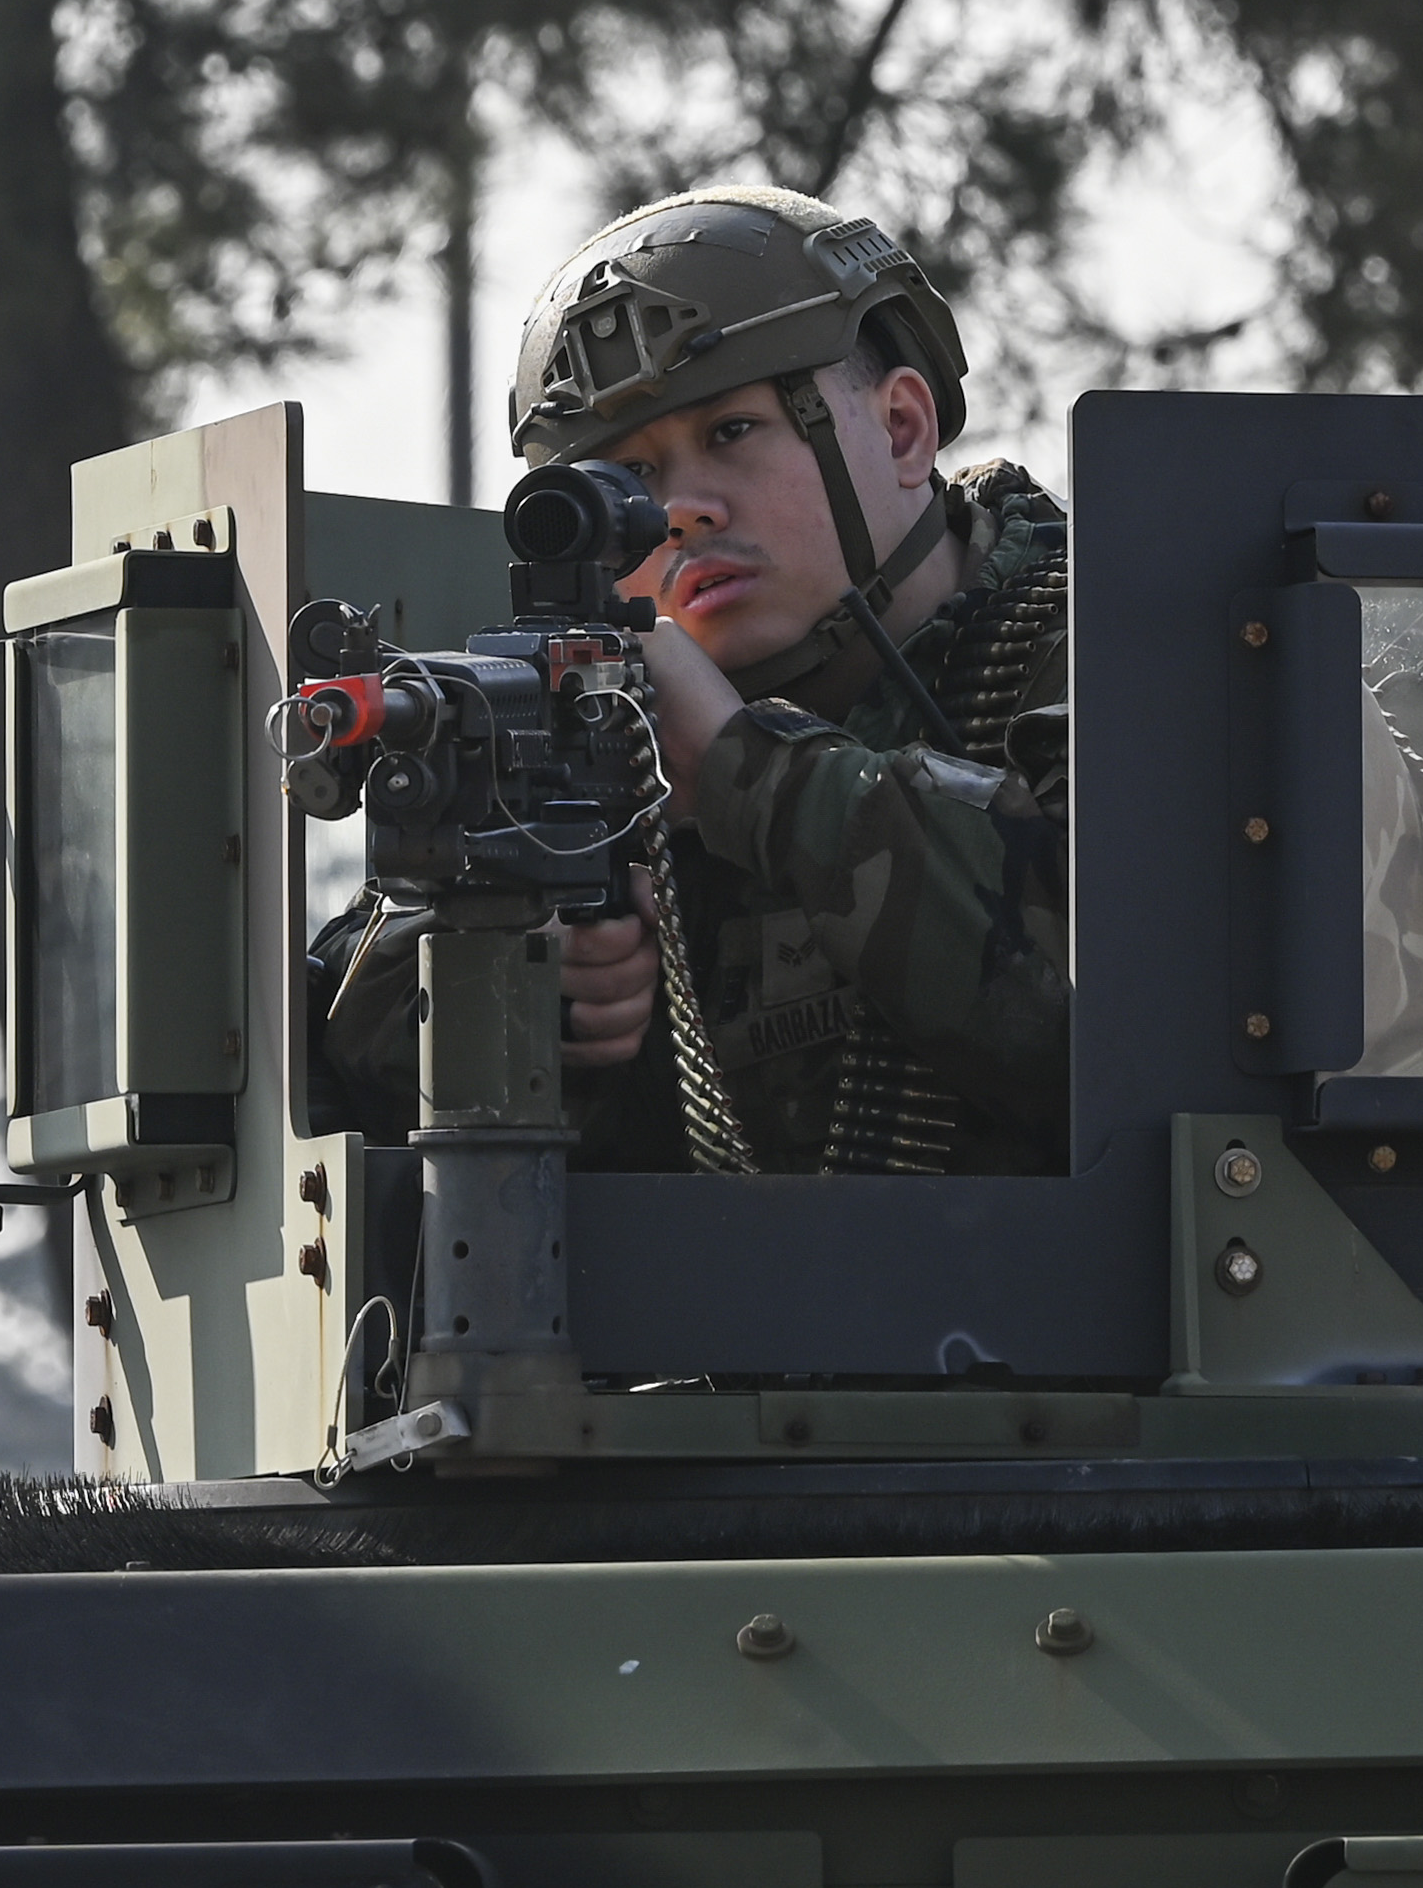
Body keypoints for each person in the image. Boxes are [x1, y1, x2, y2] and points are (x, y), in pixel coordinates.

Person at [314, 185, 1071, 1176]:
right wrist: (504, 967)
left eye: (731, 432)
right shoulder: (598, 739)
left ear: (899, 429)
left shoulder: (1117, 647)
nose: (680, 512)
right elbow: (331, 1074)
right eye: (624, 480)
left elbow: (1117, 1010)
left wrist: (739, 768)